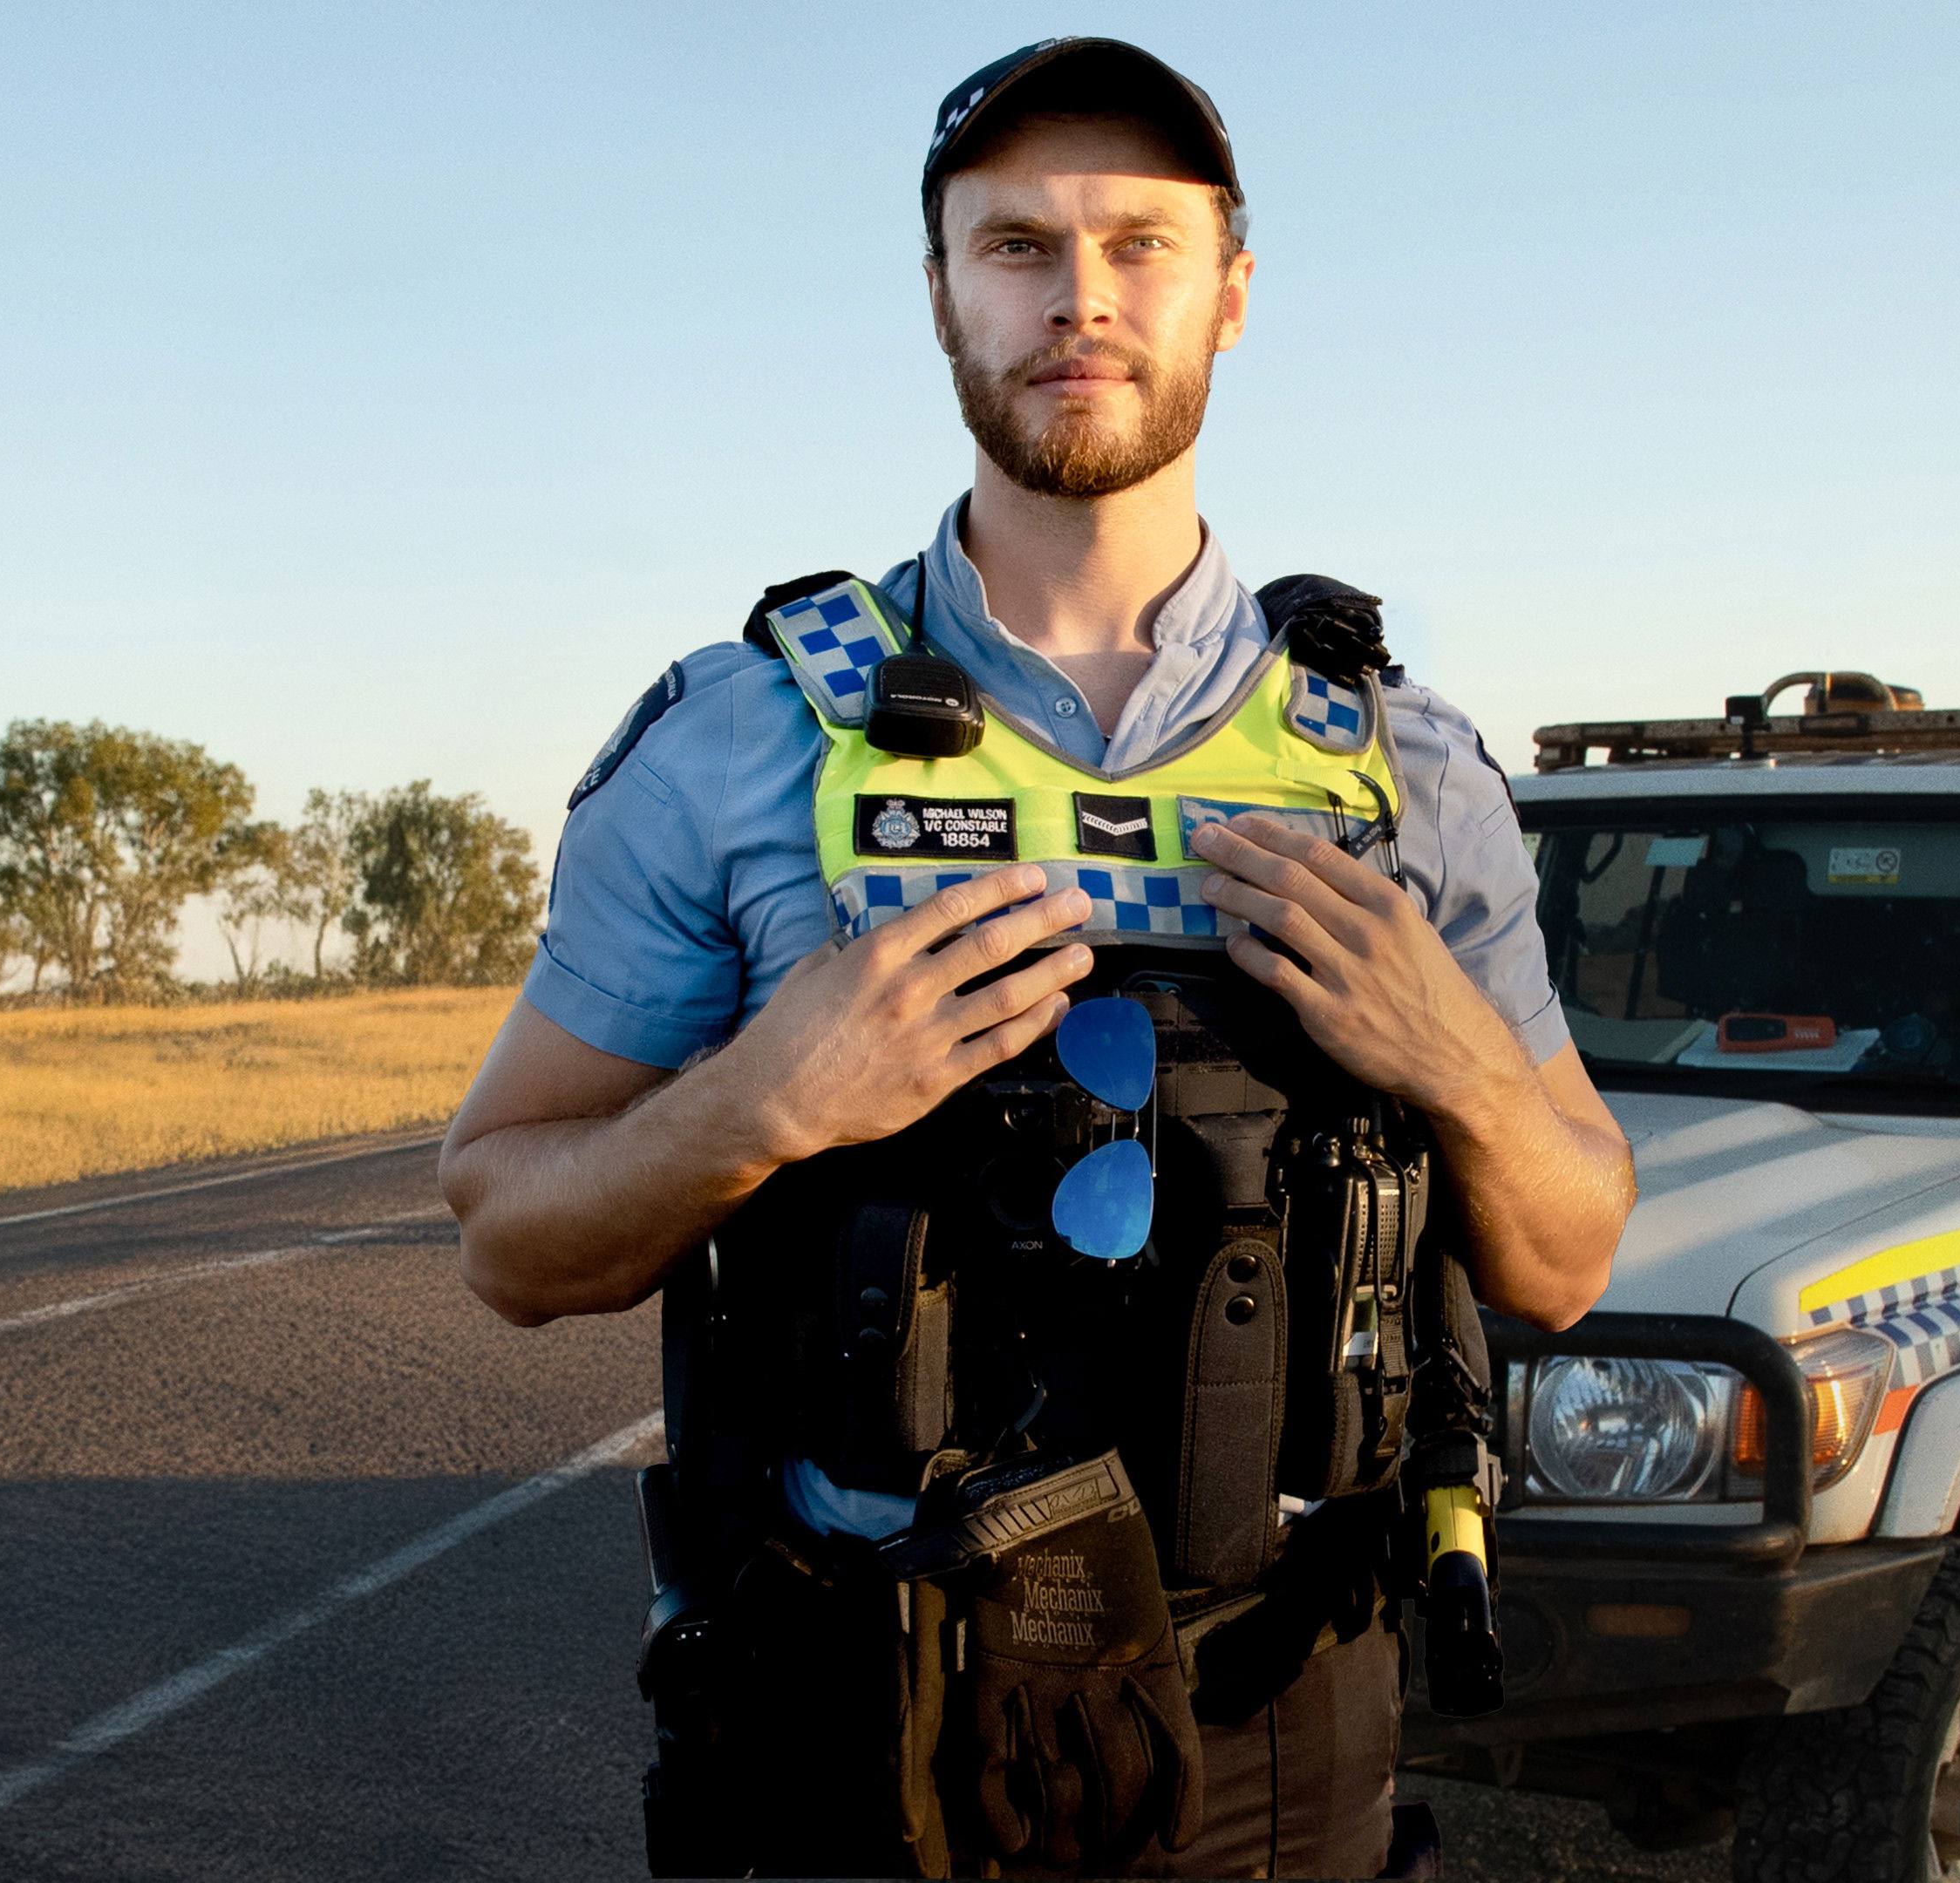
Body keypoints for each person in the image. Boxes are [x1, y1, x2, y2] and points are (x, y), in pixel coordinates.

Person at [441, 37, 1632, 1879]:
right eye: (1014, 246)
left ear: (1233, 294)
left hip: (1279, 1715)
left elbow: (1563, 1256)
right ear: (938, 296)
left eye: (1140, 244)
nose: (1079, 296)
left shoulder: (1409, 774)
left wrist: (1459, 1060)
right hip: (857, 1709)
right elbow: (513, 1241)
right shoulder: (740, 742)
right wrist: (760, 1104)